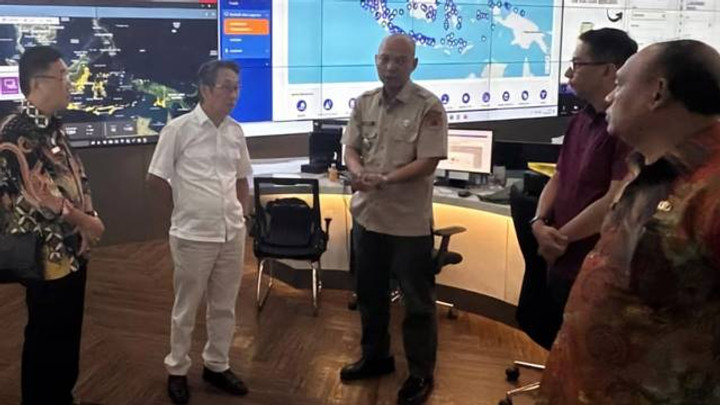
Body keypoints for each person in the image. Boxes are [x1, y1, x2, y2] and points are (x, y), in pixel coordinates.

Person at [537, 39, 720, 404]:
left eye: (620, 85)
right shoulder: (645, 168)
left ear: (657, 93)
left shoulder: (711, 191)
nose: (610, 97)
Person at [339, 33, 448, 405]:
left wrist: (384, 180)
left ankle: (420, 374)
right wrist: (357, 172)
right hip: (368, 219)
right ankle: (376, 358)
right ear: (376, 60)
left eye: (400, 60)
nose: (391, 66)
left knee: (417, 304)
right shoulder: (365, 102)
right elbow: (351, 148)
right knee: (370, 296)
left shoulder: (428, 107)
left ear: (413, 64)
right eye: (385, 58)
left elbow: (428, 161)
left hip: (408, 225)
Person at [0, 46, 105, 405]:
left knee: (67, 332)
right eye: (62, 75)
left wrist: (88, 217)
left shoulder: (53, 127)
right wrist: (85, 221)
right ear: (37, 83)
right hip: (45, 256)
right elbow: (37, 195)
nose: (70, 83)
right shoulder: (15, 132)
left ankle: (62, 395)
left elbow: (77, 175)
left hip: (72, 250)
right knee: (46, 335)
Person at [147, 59, 252, 405]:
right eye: (226, 87)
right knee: (186, 307)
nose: (233, 94)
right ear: (205, 89)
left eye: (236, 87)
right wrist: (182, 210)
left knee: (224, 306)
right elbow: (155, 178)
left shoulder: (235, 131)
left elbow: (241, 179)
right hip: (192, 235)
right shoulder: (178, 129)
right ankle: (177, 369)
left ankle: (217, 365)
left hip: (231, 234)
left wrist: (241, 215)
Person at [530, 28, 637, 326]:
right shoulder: (580, 120)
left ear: (608, 71)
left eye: (577, 65)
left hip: (595, 264)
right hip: (560, 259)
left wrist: (558, 239)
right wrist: (538, 222)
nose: (568, 73)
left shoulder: (627, 129)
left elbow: (615, 199)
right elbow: (559, 176)